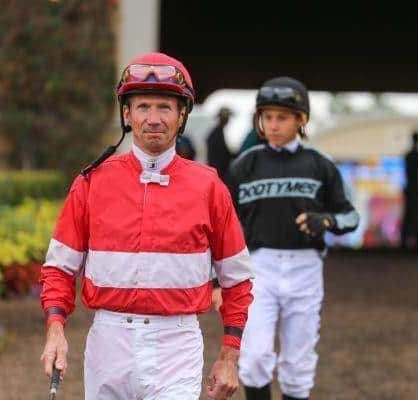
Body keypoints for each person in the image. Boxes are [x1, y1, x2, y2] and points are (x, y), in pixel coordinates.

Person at [39, 51, 254, 400]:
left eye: (165, 107)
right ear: (127, 114)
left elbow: (237, 280)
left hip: (177, 345)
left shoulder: (210, 187)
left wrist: (229, 356)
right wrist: (55, 331)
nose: (153, 119)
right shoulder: (91, 182)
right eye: (143, 107)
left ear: (182, 115)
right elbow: (59, 269)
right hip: (108, 343)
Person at [227, 77, 360, 400]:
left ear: (301, 120)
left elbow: (351, 217)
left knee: (298, 363)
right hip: (258, 268)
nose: (273, 125)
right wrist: (216, 278)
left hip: (306, 270)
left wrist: (325, 220)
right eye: (267, 117)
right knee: (255, 356)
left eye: (282, 117)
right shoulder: (245, 165)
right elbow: (225, 225)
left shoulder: (320, 164)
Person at [401, 130, 418, 250]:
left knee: (411, 215)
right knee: (413, 215)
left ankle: (408, 240)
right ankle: (410, 240)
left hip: (411, 189)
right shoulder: (415, 155)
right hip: (414, 190)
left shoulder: (410, 155)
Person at [207, 107, 234, 179]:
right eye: (226, 117)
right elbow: (221, 153)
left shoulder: (217, 132)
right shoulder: (217, 133)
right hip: (218, 172)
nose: (228, 119)